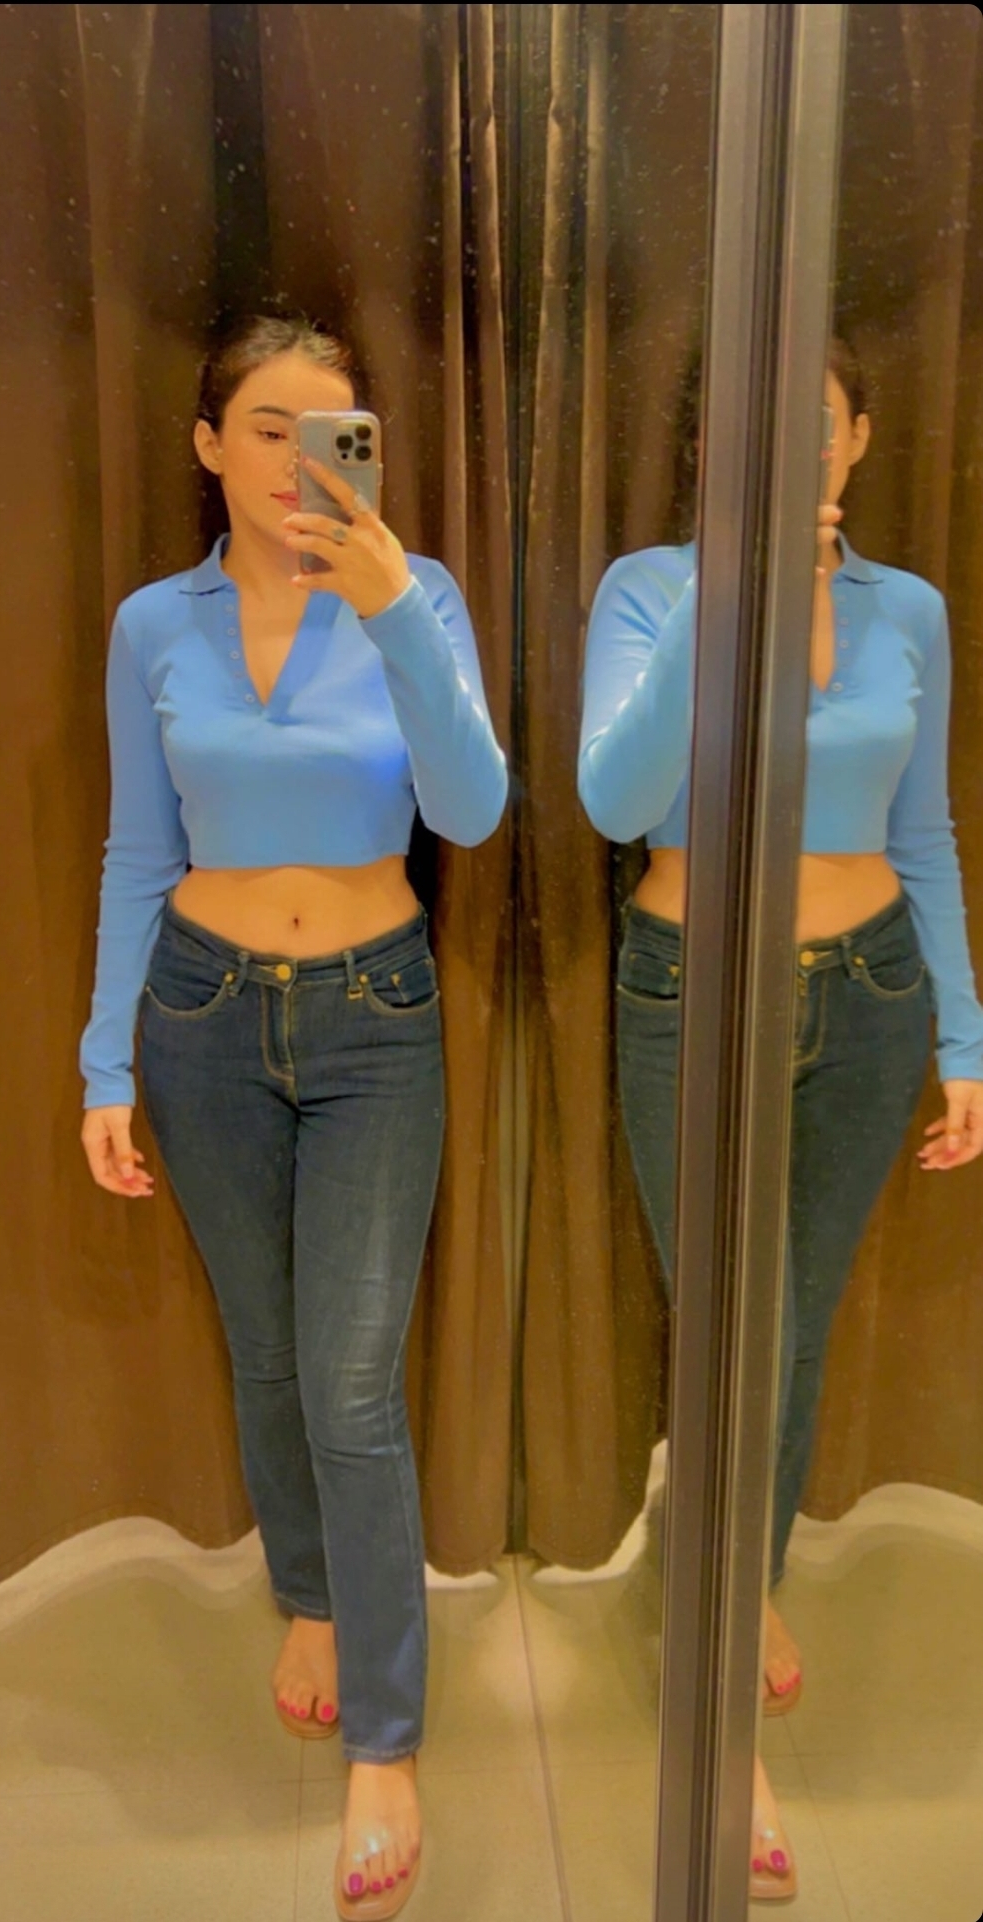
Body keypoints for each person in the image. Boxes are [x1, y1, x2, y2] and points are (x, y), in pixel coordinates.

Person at [79, 314, 508, 1921]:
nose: (294, 463)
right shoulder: (154, 624)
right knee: (265, 1352)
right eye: (264, 427)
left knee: (349, 1379)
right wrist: (104, 1063)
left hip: (375, 1016)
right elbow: (139, 846)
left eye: (330, 432)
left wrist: (392, 608)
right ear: (207, 444)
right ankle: (312, 1595)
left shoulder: (416, 591)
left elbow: (472, 810)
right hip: (198, 1014)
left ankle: (387, 1738)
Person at [576, 336, 983, 1903]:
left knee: (795, 1330)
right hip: (697, 987)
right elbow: (618, 803)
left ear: (861, 436)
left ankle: (739, 1588)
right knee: (730, 1328)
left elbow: (925, 825)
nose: (792, 447)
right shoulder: (646, 590)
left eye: (815, 424)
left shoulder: (908, 609)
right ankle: (718, 1679)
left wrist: (962, 1029)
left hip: (871, 989)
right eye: (756, 425)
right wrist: (730, 588)